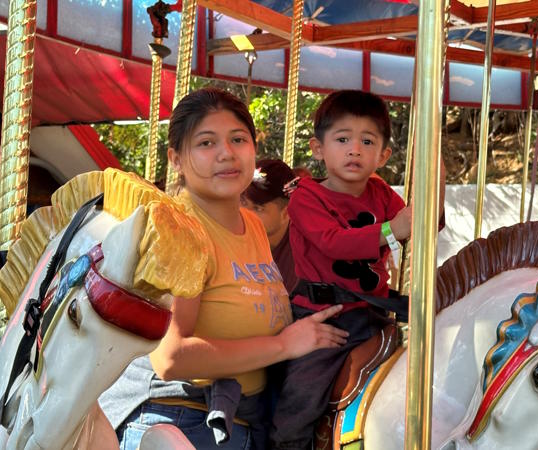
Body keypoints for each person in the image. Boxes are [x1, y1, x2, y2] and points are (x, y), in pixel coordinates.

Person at [99, 88, 349, 450]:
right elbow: (172, 356)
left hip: (244, 419)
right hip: (182, 418)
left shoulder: (251, 225)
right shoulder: (178, 229)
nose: (226, 153)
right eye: (206, 143)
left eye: (238, 139)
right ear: (176, 158)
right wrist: (282, 345)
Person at [270, 90, 445, 449]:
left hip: (374, 316)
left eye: (367, 141)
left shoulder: (379, 191)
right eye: (343, 139)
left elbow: (427, 224)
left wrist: (433, 165)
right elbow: (333, 242)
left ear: (383, 155)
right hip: (324, 319)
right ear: (318, 148)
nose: (355, 149)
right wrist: (389, 230)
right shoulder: (306, 197)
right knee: (297, 407)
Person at [241, 159, 298, 293]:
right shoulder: (232, 240)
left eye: (258, 208)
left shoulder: (302, 259)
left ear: (286, 213)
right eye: (242, 202)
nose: (244, 214)